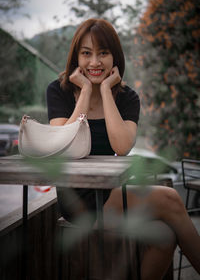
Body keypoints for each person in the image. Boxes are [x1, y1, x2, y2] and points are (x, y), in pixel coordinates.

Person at [47, 18, 200, 279]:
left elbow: (122, 146)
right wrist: (84, 91)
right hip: (78, 199)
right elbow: (64, 146)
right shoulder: (59, 90)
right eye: (86, 53)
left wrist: (106, 90)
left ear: (114, 57)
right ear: (76, 57)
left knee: (164, 236)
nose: (94, 62)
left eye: (103, 53)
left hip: (112, 193)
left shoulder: (127, 97)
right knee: (171, 198)